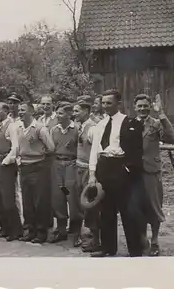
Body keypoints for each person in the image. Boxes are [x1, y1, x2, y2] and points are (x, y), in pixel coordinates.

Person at [88, 89, 144, 257]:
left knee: (128, 212)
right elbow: (94, 150)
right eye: (103, 103)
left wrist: (127, 170)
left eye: (109, 103)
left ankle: (135, 251)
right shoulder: (100, 125)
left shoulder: (129, 122)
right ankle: (108, 248)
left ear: (118, 103)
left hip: (122, 169)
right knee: (106, 211)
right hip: (104, 168)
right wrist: (92, 173)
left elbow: (136, 151)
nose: (105, 106)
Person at [134, 93, 174, 256]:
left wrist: (161, 114)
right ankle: (142, 238)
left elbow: (170, 135)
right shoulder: (130, 124)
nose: (143, 109)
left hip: (152, 171)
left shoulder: (157, 123)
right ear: (134, 108)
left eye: (146, 106)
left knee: (154, 206)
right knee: (138, 207)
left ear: (150, 107)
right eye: (140, 106)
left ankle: (155, 240)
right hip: (134, 173)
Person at [16, 102, 55, 244]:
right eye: (19, 110)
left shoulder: (40, 128)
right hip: (24, 167)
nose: (20, 112)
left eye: (23, 110)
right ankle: (29, 230)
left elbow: (51, 147)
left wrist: (38, 153)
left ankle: (41, 232)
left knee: (40, 202)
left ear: (31, 112)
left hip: (38, 167)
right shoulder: (18, 127)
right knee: (27, 201)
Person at [48, 102, 79, 244]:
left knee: (71, 196)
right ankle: (61, 230)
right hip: (57, 165)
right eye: (57, 113)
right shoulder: (54, 130)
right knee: (58, 196)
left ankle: (76, 231)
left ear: (69, 114)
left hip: (71, 165)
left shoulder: (76, 129)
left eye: (61, 113)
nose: (58, 116)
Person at [0, 102, 22, 241]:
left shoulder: (11, 126)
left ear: (5, 111)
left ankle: (16, 230)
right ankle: (4, 228)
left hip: (6, 164)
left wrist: (6, 161)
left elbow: (15, 147)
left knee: (8, 198)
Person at [72, 97, 100, 251]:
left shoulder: (92, 128)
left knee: (90, 204)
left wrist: (92, 173)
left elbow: (96, 152)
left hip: (88, 171)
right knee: (80, 203)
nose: (74, 114)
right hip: (78, 168)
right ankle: (86, 234)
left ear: (87, 111)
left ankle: (95, 238)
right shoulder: (80, 126)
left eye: (77, 111)